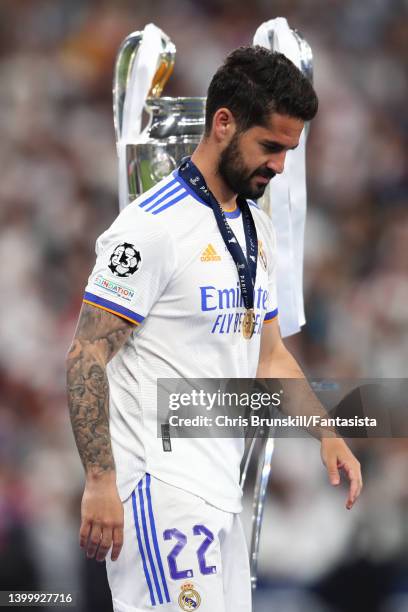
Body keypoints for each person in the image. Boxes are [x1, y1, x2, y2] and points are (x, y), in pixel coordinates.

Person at [66, 46, 362, 612]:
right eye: (270, 146)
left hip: (222, 493)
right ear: (223, 122)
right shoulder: (150, 229)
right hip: (158, 489)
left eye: (289, 152)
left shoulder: (257, 229)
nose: (278, 165)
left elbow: (269, 355)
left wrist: (328, 434)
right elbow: (85, 354)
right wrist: (101, 480)